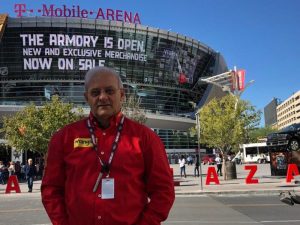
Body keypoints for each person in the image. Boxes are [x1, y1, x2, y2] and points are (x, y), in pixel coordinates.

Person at [41, 67, 175, 225]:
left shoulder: (146, 139)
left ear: (122, 94)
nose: (103, 97)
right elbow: (51, 190)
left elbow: (164, 191)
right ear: (86, 97)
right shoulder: (63, 138)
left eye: (109, 91)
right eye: (95, 92)